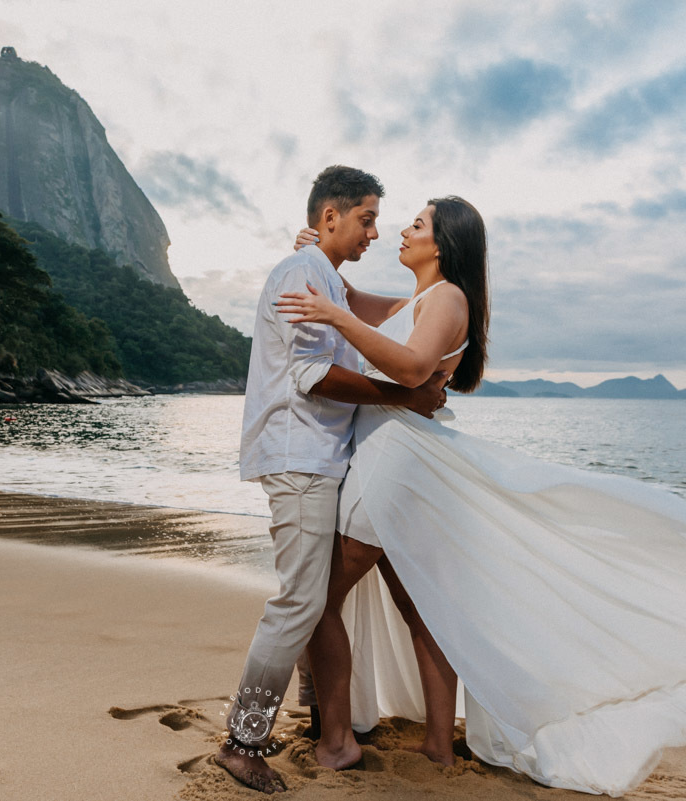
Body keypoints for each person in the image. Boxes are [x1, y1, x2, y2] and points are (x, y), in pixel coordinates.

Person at [275, 196, 686, 796]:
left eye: (418, 224)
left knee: (318, 598)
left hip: (392, 464)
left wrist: (337, 317)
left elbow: (410, 368)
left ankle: (339, 742)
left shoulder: (448, 299)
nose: (403, 230)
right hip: (396, 460)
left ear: (444, 244)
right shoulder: (418, 301)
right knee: (419, 607)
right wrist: (318, 254)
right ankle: (437, 746)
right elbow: (347, 299)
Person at [218, 166, 450, 795]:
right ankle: (242, 742)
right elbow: (312, 375)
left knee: (311, 598)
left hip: (316, 458)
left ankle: (324, 721)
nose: (374, 232)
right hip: (299, 458)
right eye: (367, 219)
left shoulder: (323, 278)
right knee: (300, 601)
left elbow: (390, 318)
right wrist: (405, 396)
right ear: (331, 217)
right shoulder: (303, 274)